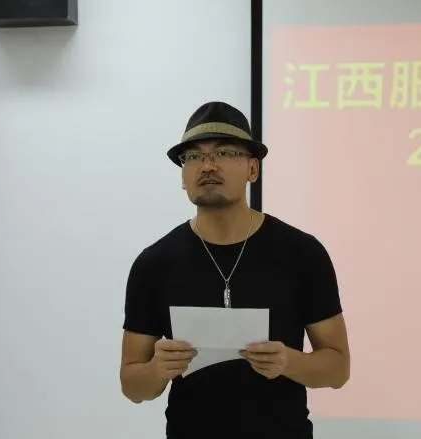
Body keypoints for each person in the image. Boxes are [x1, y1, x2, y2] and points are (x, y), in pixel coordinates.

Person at [120, 101, 350, 439]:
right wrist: (157, 370)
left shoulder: (302, 253)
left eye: (225, 153)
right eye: (193, 156)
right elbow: (132, 385)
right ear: (183, 176)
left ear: (252, 169)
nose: (207, 165)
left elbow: (338, 369)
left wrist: (289, 361)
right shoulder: (154, 264)